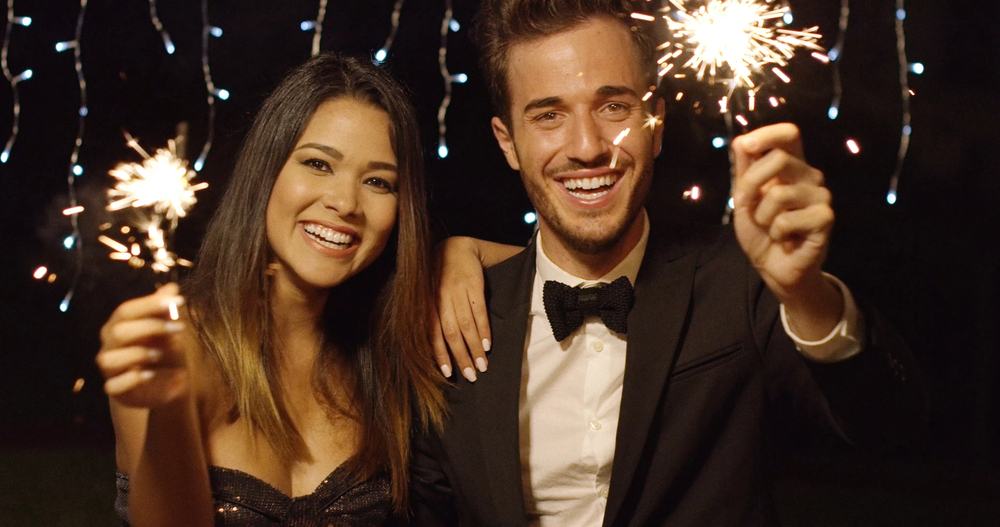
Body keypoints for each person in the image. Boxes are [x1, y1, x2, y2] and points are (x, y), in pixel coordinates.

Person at [411, 1, 927, 525]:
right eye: (549, 115)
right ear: (508, 143)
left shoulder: (739, 283)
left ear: (654, 124)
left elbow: (892, 428)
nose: (588, 146)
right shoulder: (451, 315)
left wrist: (806, 293)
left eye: (613, 107)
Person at [96, 52, 445, 526]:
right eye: (319, 164)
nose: (345, 202)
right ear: (267, 171)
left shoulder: (393, 352)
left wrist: (465, 252)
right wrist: (168, 409)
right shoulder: (177, 347)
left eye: (378, 182)